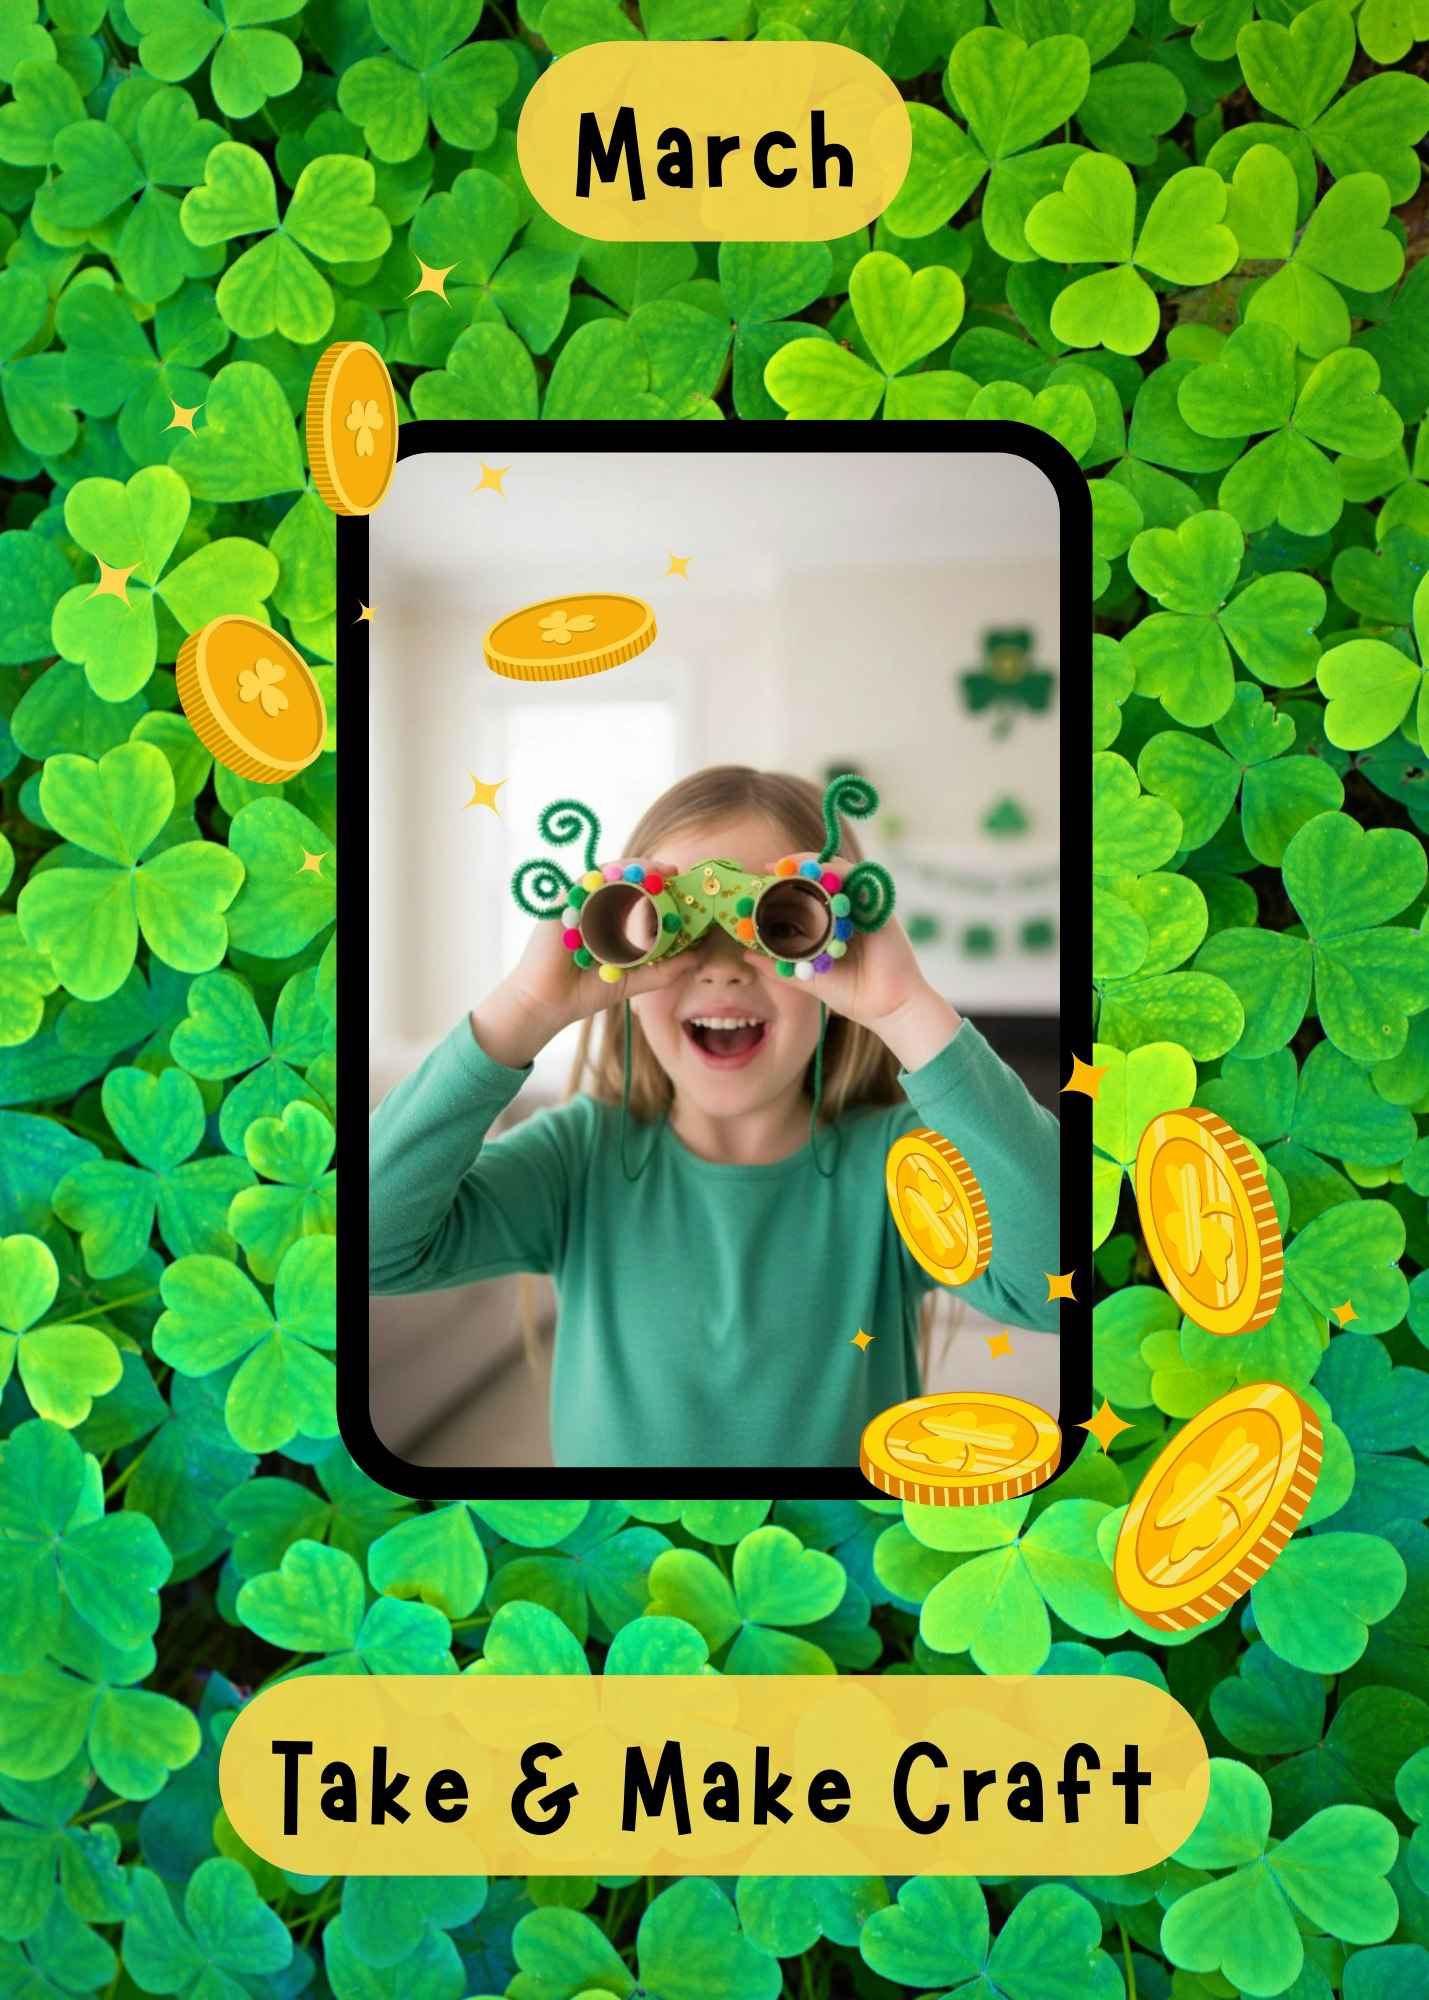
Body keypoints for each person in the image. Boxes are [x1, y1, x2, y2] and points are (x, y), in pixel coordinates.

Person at [369, 765, 1061, 1468]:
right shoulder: (576, 1160)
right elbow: (368, 1246)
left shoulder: (895, 1171)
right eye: (677, 930)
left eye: (777, 927)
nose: (723, 969)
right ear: (619, 944)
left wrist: (906, 1010)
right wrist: (524, 1007)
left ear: (838, 945)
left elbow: (1055, 1289)